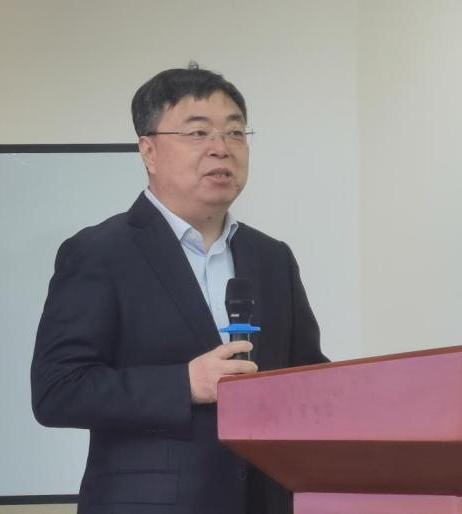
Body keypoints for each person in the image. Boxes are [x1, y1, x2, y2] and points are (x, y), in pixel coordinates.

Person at [31, 64, 328, 514]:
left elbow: (305, 375)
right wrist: (183, 384)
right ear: (148, 151)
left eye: (235, 133)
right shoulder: (99, 252)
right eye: (197, 133)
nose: (220, 148)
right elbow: (58, 390)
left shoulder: (272, 257)